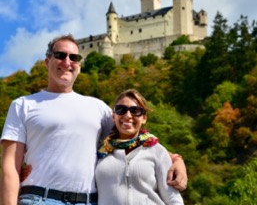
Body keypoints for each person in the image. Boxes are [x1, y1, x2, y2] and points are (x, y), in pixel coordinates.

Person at [1, 34, 187, 205]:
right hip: (40, 198)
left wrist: (176, 159)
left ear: (79, 67)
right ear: (47, 61)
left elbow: (132, 139)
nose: (67, 62)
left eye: (74, 57)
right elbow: (10, 166)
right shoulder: (24, 105)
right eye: (60, 55)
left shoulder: (96, 107)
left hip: (87, 201)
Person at [96, 89, 184, 204]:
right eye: (121, 110)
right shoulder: (101, 153)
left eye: (135, 111)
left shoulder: (157, 151)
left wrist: (178, 159)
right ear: (113, 116)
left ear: (144, 118)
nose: (128, 116)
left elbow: (173, 199)